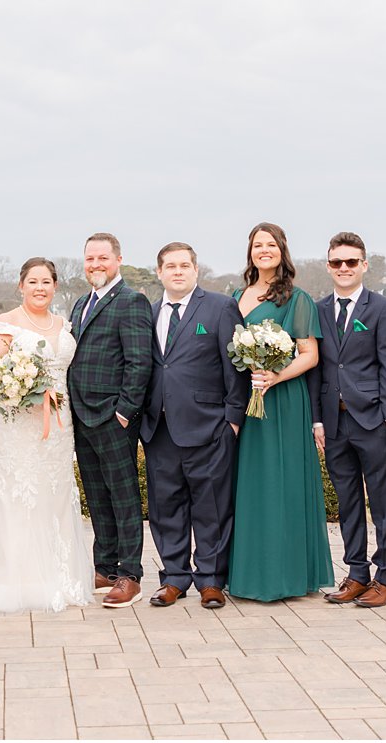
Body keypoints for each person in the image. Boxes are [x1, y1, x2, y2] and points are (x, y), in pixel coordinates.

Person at [0, 257, 88, 616]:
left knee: (56, 491)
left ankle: (60, 575)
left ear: (55, 286)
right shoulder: (4, 324)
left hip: (59, 424)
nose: (39, 288)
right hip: (18, 422)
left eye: (46, 282)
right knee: (19, 493)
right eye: (32, 281)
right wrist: (22, 386)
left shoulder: (65, 324)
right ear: (21, 285)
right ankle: (15, 579)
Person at [227, 222, 334, 602]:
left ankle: (287, 575)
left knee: (281, 482)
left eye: (271, 244)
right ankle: (250, 573)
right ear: (250, 252)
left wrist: (274, 376)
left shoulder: (297, 298)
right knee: (251, 484)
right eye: (258, 245)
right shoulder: (237, 295)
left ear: (281, 250)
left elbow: (310, 355)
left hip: (283, 400)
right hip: (247, 399)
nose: (264, 250)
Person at [140, 243, 249, 609]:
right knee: (165, 506)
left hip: (209, 426)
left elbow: (235, 367)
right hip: (161, 428)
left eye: (184, 265)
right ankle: (173, 578)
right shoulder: (150, 313)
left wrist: (232, 420)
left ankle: (211, 580)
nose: (178, 272)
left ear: (196, 270)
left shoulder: (220, 307)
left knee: (212, 506)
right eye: (170, 266)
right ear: (159, 272)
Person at [314, 233, 386, 609]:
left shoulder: (383, 308)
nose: (344, 268)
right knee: (348, 501)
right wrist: (316, 421)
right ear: (329, 266)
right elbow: (316, 370)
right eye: (337, 262)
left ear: (364, 265)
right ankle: (356, 573)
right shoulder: (318, 309)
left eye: (351, 262)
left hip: (371, 420)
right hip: (333, 424)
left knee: (383, 501)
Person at [66, 233, 153, 609]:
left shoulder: (132, 301)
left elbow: (139, 361)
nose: (95, 265)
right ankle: (104, 566)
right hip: (81, 415)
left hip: (112, 416)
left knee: (122, 495)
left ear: (118, 260)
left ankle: (129, 574)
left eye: (103, 258)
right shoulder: (81, 303)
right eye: (90, 259)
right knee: (97, 495)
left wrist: (124, 410)